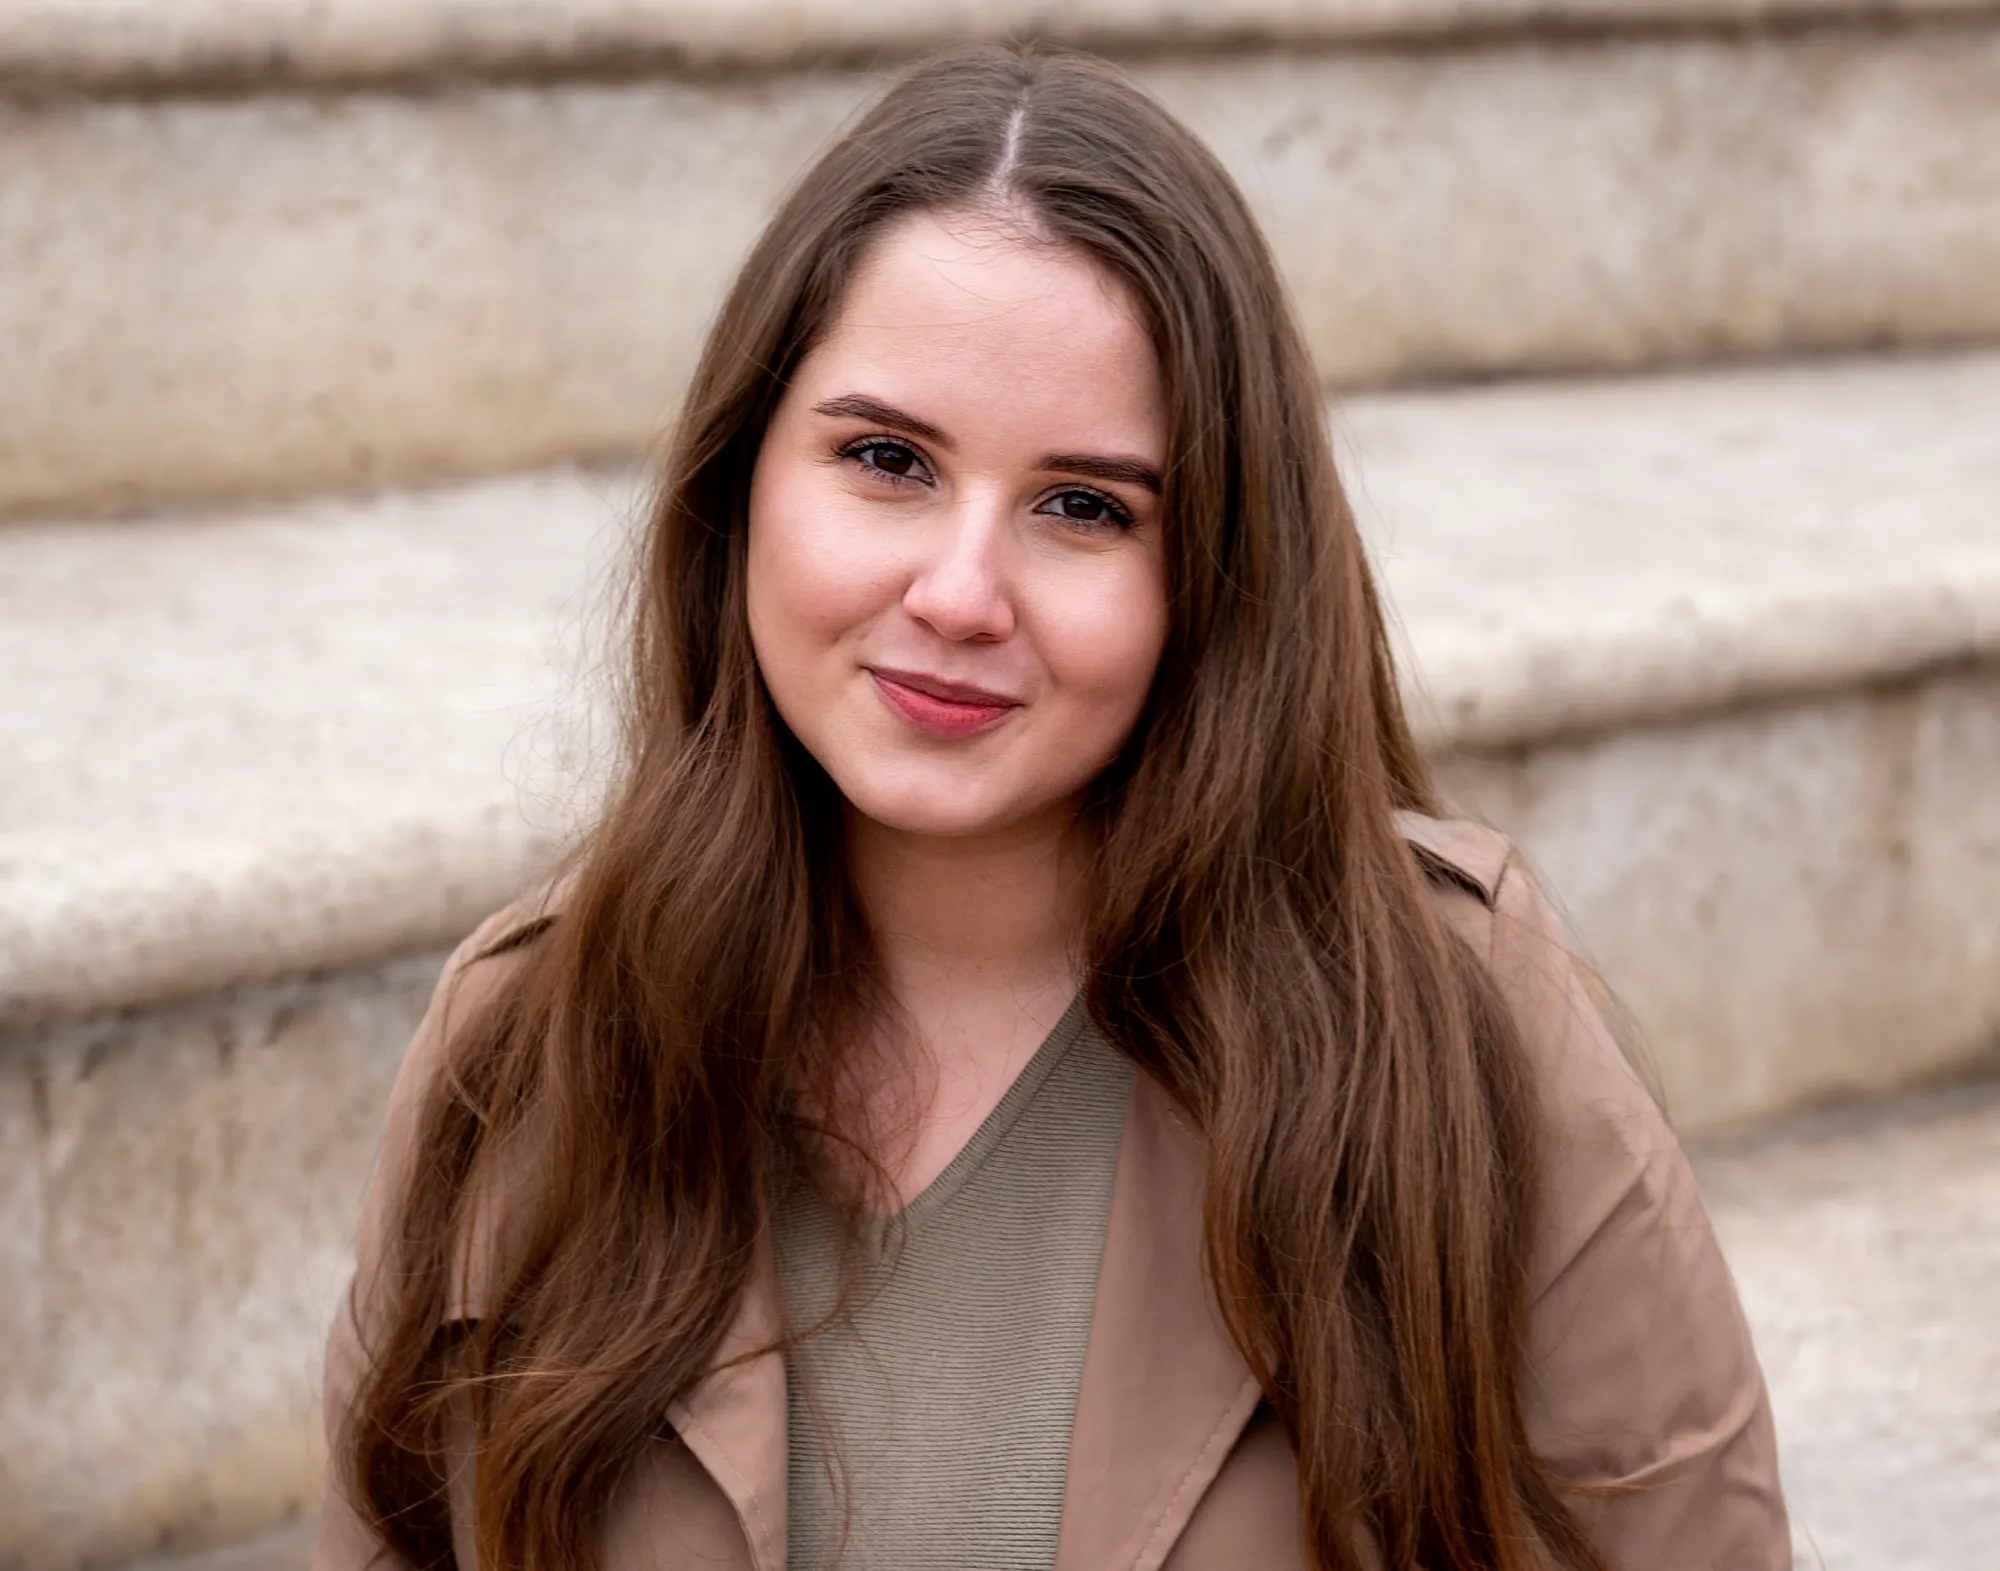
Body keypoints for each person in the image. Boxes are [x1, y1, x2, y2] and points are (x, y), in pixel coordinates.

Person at [316, 44, 1788, 1571]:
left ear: (1213, 575)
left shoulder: (1456, 1029)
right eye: (887, 459)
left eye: (1083, 505)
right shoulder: (523, 1045)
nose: (960, 594)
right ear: (740, 483)